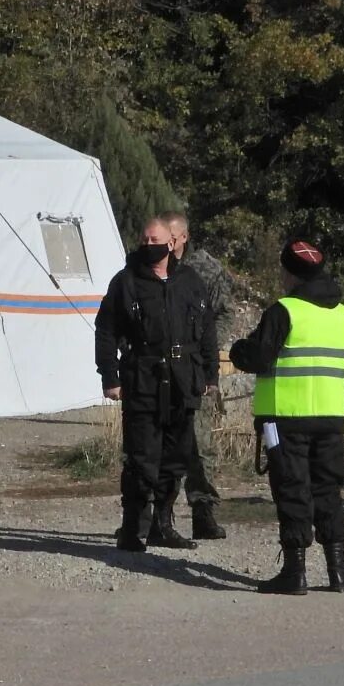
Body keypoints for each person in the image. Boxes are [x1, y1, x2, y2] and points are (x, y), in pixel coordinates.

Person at [229, 238, 344, 596]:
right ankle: (338, 571)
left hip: (284, 418)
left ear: (290, 274)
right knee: (327, 489)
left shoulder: (283, 311)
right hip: (330, 417)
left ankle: (294, 573)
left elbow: (258, 357)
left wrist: (238, 350)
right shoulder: (343, 314)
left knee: (292, 490)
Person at [93, 218, 218, 553]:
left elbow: (206, 330)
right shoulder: (125, 282)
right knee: (140, 458)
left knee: (175, 459)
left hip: (183, 382)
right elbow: (105, 330)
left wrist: (209, 375)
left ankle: (163, 524)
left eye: (157, 239)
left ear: (173, 241)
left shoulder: (189, 280)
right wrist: (110, 376)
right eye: (145, 238)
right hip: (143, 380)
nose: (151, 244)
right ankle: (132, 528)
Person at [164, 213, 229, 540]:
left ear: (184, 237)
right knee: (158, 446)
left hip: (196, 372)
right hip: (162, 375)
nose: (167, 242)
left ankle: (203, 513)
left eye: (172, 236)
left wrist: (209, 365)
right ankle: (157, 516)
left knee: (201, 446)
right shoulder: (150, 270)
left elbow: (220, 317)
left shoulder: (206, 270)